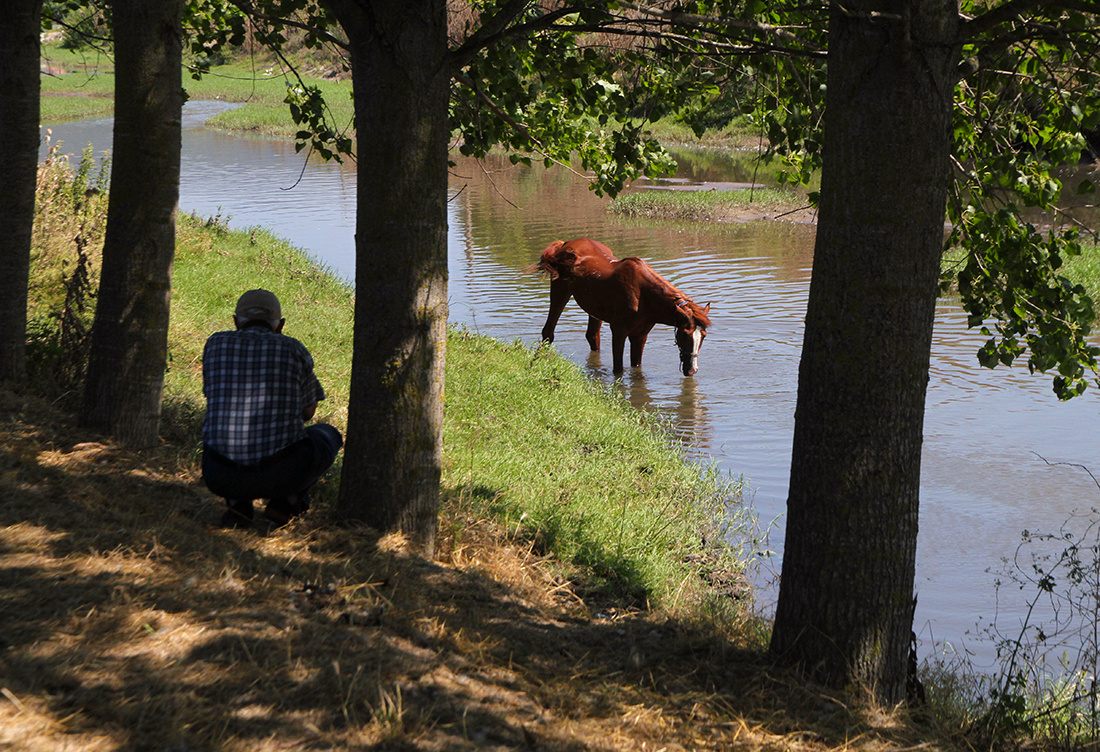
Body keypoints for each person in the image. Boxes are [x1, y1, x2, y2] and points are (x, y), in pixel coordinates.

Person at [201, 289, 343, 528]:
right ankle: (285, 504)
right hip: (280, 474)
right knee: (327, 435)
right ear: (280, 325)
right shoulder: (294, 349)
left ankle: (238, 506)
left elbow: (212, 395)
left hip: (218, 474)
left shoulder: (214, 343)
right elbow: (309, 412)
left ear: (236, 321)